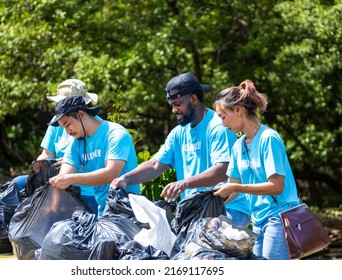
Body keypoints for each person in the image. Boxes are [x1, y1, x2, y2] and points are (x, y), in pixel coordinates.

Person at [110, 72, 251, 228]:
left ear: (194, 99)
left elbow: (222, 169)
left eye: (177, 104)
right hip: (196, 211)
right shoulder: (178, 133)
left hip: (228, 209)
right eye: (172, 105)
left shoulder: (218, 127)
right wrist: (125, 179)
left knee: (204, 246)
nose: (174, 110)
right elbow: (155, 165)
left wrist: (184, 184)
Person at [212, 79, 301, 260]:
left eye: (222, 116)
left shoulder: (269, 139)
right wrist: (209, 202)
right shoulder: (238, 146)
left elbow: (276, 186)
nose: (222, 123)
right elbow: (232, 187)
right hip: (258, 222)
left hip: (279, 219)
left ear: (238, 110)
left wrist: (236, 188)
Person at [12, 79, 99, 213]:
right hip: (57, 179)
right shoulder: (58, 123)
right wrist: (41, 166)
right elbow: (47, 153)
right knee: (18, 184)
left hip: (83, 186)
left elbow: (94, 159)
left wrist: (67, 162)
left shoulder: (92, 126)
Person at [48, 94, 141, 216]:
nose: (67, 132)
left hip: (129, 210)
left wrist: (71, 179)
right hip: (104, 213)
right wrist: (52, 212)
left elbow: (110, 174)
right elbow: (62, 177)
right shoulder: (76, 144)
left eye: (67, 124)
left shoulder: (115, 134)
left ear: (81, 114)